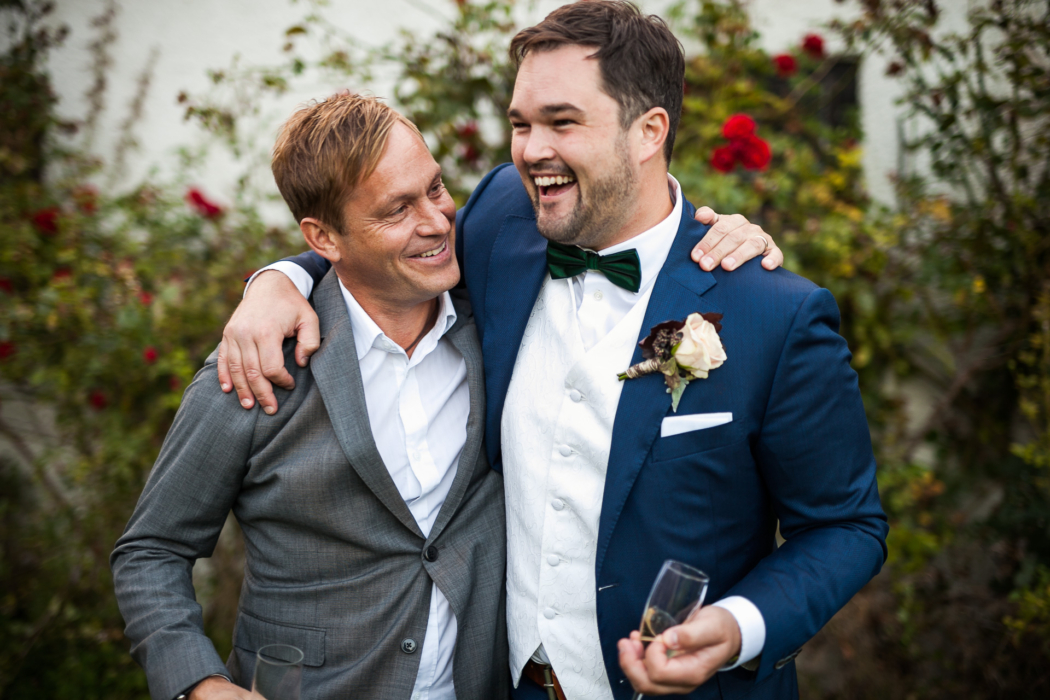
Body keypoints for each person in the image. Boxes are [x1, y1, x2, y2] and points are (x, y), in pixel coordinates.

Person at [219, 3, 888, 699]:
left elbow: (845, 527)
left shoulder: (775, 315)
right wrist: (281, 279)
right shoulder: (502, 219)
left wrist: (740, 624)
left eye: (562, 122)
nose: (531, 150)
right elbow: (381, 245)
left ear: (649, 131)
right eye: (521, 124)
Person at [111, 96, 510, 700]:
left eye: (434, 188)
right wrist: (198, 683)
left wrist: (279, 273)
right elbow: (152, 550)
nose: (436, 221)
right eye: (397, 209)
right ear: (323, 237)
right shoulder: (255, 369)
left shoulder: (497, 325)